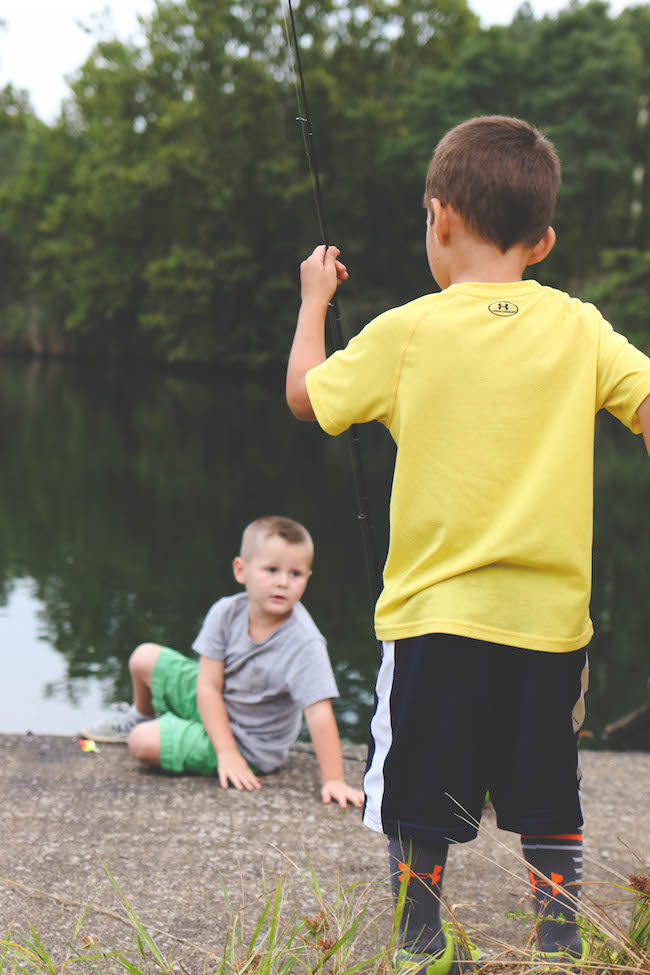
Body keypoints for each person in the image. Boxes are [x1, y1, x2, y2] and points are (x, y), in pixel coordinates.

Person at [285, 115, 650, 973]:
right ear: (546, 239)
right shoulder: (581, 327)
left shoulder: (407, 330)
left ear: (437, 218)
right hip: (551, 622)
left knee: (417, 786)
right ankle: (558, 940)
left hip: (435, 619)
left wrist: (314, 302)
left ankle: (420, 942)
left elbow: (306, 396)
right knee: (547, 781)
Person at [81, 515, 364, 808]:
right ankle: (142, 715)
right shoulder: (226, 612)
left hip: (249, 742)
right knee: (143, 657)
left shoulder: (304, 643)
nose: (283, 582)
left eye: (296, 574)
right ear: (241, 571)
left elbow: (318, 713)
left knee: (142, 743)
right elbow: (207, 686)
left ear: (307, 577)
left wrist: (334, 780)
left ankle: (170, 730)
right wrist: (223, 749)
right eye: (271, 570)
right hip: (218, 703)